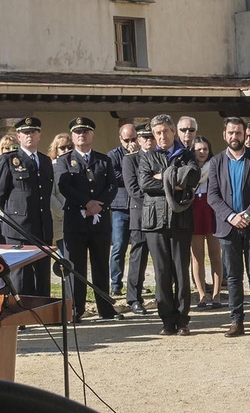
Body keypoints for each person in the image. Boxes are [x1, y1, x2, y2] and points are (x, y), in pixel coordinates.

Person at [129, 115, 200, 334]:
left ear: (173, 132)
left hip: (180, 221)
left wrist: (164, 176)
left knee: (180, 272)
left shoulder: (186, 155)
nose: (161, 137)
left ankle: (182, 320)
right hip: (154, 222)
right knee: (161, 273)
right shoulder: (147, 157)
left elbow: (192, 178)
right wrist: (173, 182)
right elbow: (145, 183)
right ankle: (167, 320)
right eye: (157, 133)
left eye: (165, 132)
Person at [206, 115, 250, 337]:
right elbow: (212, 196)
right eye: (231, 132)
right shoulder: (215, 162)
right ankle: (236, 321)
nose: (235, 136)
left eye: (239, 133)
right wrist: (231, 216)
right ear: (224, 135)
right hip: (228, 227)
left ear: (245, 135)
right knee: (233, 276)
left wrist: (248, 214)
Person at [53, 117, 118, 321]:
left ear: (92, 135)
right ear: (72, 136)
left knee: (101, 265)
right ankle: (76, 309)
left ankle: (105, 309)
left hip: (99, 221)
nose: (82, 135)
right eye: (78, 132)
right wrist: (86, 203)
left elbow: (112, 186)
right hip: (75, 222)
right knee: (75, 267)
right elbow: (65, 187)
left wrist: (99, 205)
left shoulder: (104, 159)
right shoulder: (64, 161)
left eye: (86, 131)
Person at [0, 116, 55, 297]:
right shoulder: (9, 159)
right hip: (18, 226)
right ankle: (19, 313)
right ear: (18, 136)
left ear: (39, 135)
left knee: (42, 272)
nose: (30, 136)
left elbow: (46, 192)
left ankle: (42, 309)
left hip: (41, 224)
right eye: (25, 133)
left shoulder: (45, 160)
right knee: (21, 274)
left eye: (33, 132)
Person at [189, 135, 224, 309]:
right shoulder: (188, 168)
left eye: (205, 149)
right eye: (198, 149)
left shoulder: (215, 166)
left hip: (212, 210)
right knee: (197, 257)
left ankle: (217, 295)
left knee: (215, 254)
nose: (202, 152)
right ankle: (202, 294)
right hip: (194, 209)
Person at [107, 121, 138, 299]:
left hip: (137, 207)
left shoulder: (142, 154)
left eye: (133, 139)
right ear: (121, 139)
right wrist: (131, 175)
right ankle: (115, 284)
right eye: (127, 140)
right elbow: (114, 176)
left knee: (138, 249)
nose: (130, 143)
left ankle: (135, 284)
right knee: (118, 247)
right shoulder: (113, 155)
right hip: (120, 207)